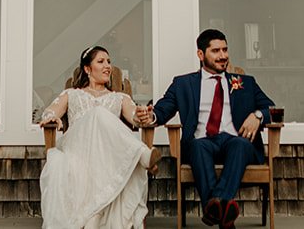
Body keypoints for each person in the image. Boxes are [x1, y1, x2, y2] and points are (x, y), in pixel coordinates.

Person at [147, 29, 274, 229]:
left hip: (237, 144)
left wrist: (257, 115)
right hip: (202, 144)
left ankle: (214, 206)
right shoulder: (183, 84)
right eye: (216, 51)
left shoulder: (245, 83)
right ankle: (224, 214)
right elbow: (162, 110)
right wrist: (151, 116)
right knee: (197, 146)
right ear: (201, 54)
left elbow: (273, 110)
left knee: (240, 144)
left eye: (225, 49)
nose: (223, 55)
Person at [38, 45, 161, 229]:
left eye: (109, 62)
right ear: (87, 69)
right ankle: (142, 154)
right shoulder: (72, 94)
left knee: (101, 119)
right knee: (98, 114)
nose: (107, 66)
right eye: (101, 61)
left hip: (106, 156)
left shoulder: (119, 97)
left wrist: (142, 115)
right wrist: (51, 117)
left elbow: (134, 115)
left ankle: (93, 215)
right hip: (76, 150)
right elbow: (49, 111)